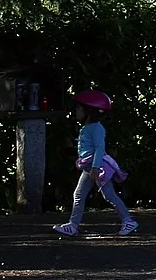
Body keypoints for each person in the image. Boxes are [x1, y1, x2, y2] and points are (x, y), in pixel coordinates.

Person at [53, 89, 138, 237]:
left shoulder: (96, 128)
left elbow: (100, 149)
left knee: (105, 195)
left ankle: (128, 220)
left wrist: (95, 167)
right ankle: (73, 225)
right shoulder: (88, 128)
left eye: (79, 108)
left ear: (89, 111)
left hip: (95, 167)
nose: (76, 111)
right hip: (90, 167)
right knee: (84, 194)